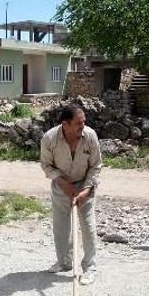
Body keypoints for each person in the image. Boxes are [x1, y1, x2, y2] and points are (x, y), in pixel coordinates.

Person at [40, 103, 102, 285]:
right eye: (78, 123)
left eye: (84, 122)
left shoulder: (90, 136)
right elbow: (46, 165)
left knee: (88, 226)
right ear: (65, 125)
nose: (83, 126)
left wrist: (86, 190)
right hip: (61, 185)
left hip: (85, 185)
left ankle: (90, 267)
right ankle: (64, 262)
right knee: (61, 227)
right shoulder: (49, 139)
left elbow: (96, 166)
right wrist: (62, 182)